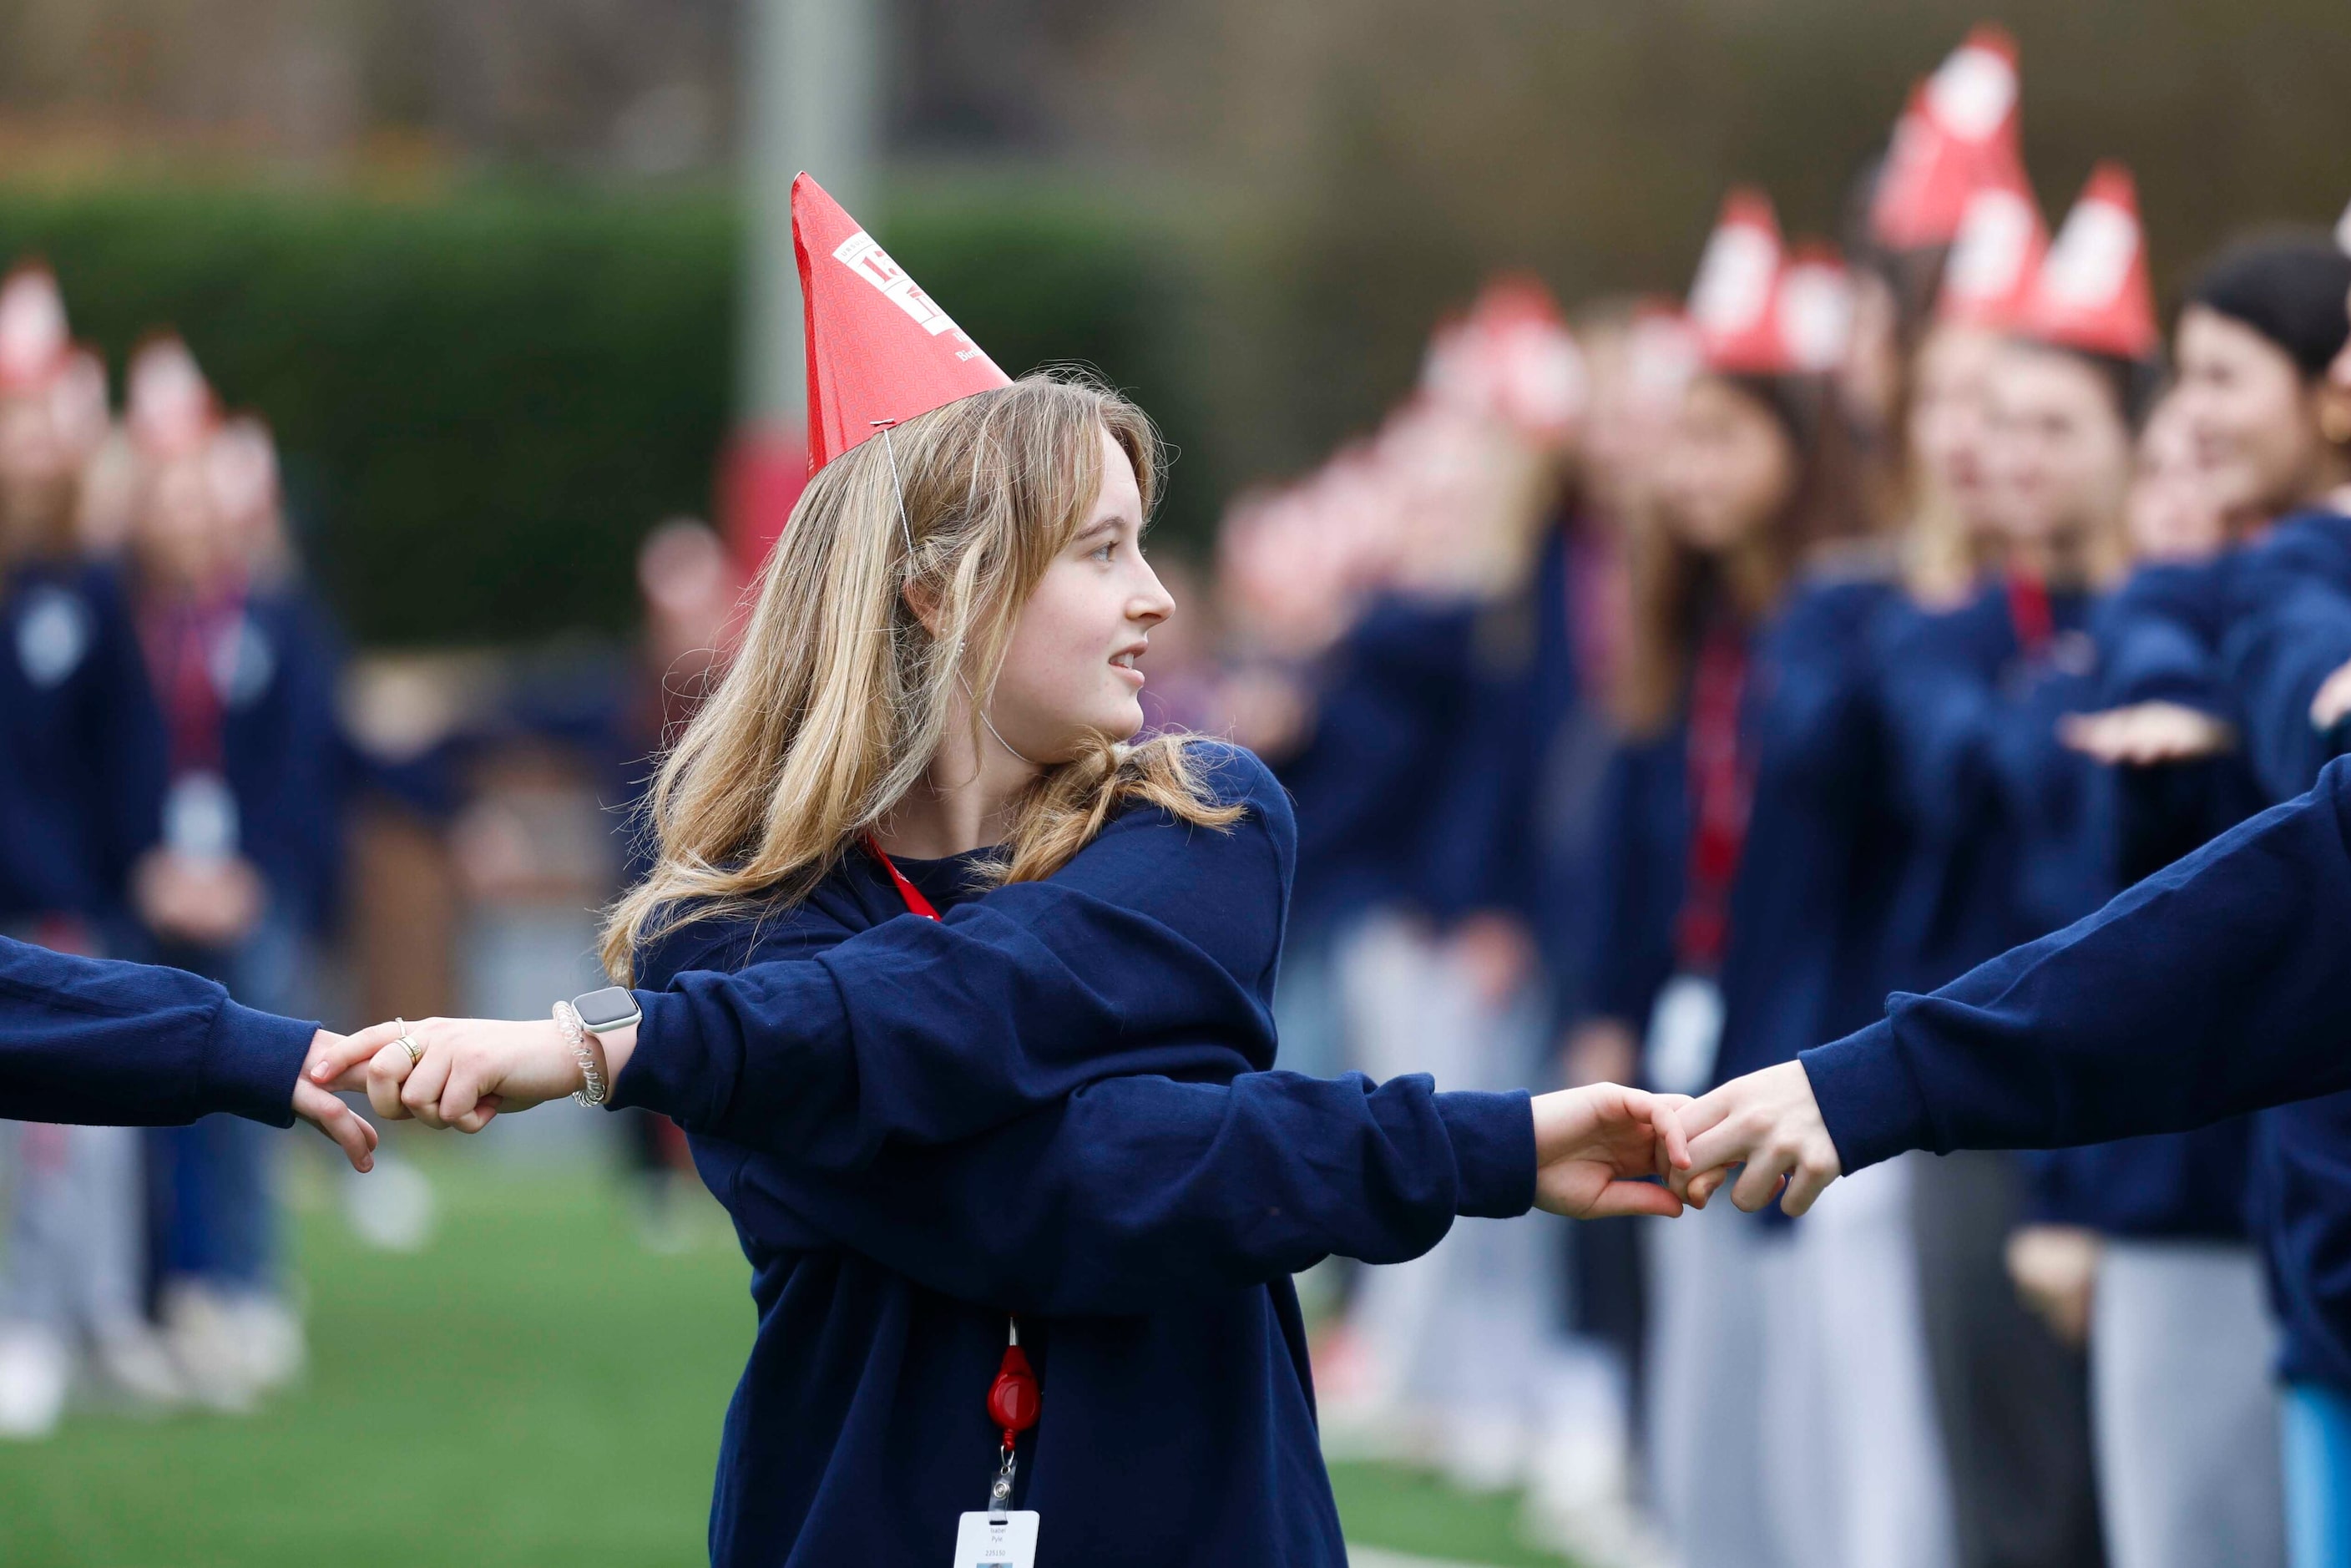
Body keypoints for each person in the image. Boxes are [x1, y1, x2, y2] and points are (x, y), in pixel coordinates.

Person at [318, 174, 1691, 1568]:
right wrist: (1480, 1144)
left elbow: (1008, 1024)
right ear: (939, 589)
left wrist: (618, 1049)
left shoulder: (1208, 818)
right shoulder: (718, 925)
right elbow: (1081, 1187)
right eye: (1102, 550)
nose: (1158, 594)